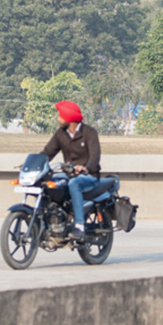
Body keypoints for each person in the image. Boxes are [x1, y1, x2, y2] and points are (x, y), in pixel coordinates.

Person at [41, 100, 107, 238]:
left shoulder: (90, 133)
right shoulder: (61, 134)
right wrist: (33, 164)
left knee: (74, 183)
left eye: (60, 116)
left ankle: (79, 226)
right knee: (48, 184)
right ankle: (49, 221)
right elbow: (47, 152)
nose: (58, 119)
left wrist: (85, 168)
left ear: (69, 118)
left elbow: (95, 157)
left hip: (89, 177)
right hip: (69, 175)